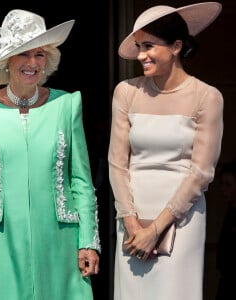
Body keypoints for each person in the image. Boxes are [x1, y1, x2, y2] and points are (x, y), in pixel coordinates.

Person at [0, 9, 100, 300]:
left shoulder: (67, 104)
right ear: (7, 61)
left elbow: (80, 179)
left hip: (59, 239)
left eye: (39, 55)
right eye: (23, 54)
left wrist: (88, 241)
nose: (32, 63)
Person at [108, 2, 223, 300]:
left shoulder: (207, 96)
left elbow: (201, 172)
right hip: (131, 217)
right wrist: (131, 222)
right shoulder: (126, 92)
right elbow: (117, 164)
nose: (141, 55)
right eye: (138, 46)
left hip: (180, 218)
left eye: (148, 46)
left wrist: (157, 227)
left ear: (176, 46)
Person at [215, 160, 236, 300]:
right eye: (222, 184)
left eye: (228, 184)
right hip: (226, 282)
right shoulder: (230, 212)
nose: (224, 189)